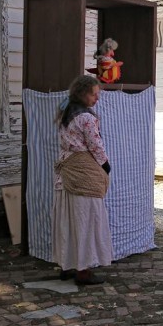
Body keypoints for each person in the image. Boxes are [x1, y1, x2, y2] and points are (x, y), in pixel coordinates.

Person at [52, 75, 113, 285]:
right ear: (83, 93)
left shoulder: (65, 112)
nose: (97, 99)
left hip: (65, 172)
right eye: (94, 94)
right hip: (81, 174)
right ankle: (83, 271)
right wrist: (105, 165)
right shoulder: (85, 117)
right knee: (85, 220)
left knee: (67, 219)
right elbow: (95, 145)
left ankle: (67, 265)